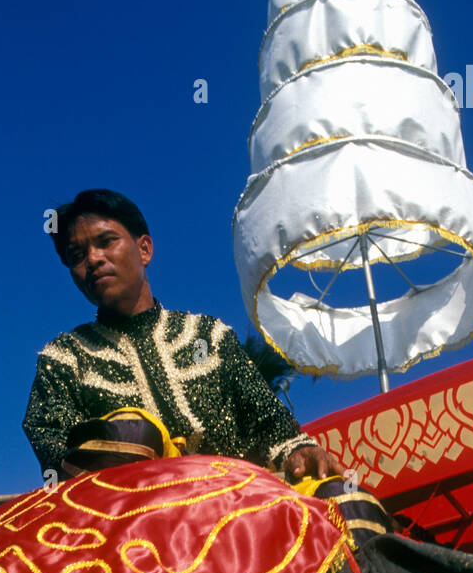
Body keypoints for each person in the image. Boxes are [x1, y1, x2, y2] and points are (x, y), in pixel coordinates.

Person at [21, 189, 342, 483]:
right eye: (77, 255)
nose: (92, 259)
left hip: (241, 512)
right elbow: (63, 463)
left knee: (345, 500)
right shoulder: (65, 360)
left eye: (106, 242)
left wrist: (299, 453)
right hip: (130, 524)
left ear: (144, 249)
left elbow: (274, 429)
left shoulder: (210, 337)